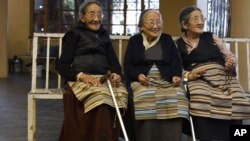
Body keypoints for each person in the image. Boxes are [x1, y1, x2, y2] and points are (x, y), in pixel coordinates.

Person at [56, 1, 128, 141]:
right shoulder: (74, 34)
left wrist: (115, 74)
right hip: (80, 78)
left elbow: (114, 63)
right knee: (100, 99)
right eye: (92, 14)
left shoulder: (103, 34)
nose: (96, 18)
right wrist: (81, 76)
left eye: (100, 14)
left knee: (122, 95)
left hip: (102, 78)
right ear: (82, 18)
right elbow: (61, 65)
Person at [176, 6, 250, 141]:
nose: (200, 21)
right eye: (196, 18)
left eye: (202, 18)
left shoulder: (212, 37)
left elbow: (229, 56)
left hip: (221, 74)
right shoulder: (178, 45)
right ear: (185, 24)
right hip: (198, 79)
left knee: (238, 97)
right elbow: (175, 69)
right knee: (201, 97)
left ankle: (237, 136)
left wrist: (230, 62)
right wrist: (189, 75)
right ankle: (207, 137)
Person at [123, 9, 189, 141]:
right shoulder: (135, 40)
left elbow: (176, 62)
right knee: (145, 96)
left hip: (166, 80)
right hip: (143, 81)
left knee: (178, 95)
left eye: (158, 22)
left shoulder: (166, 39)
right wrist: (138, 76)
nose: (155, 25)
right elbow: (127, 66)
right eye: (151, 22)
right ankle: (146, 137)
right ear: (141, 26)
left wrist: (175, 76)